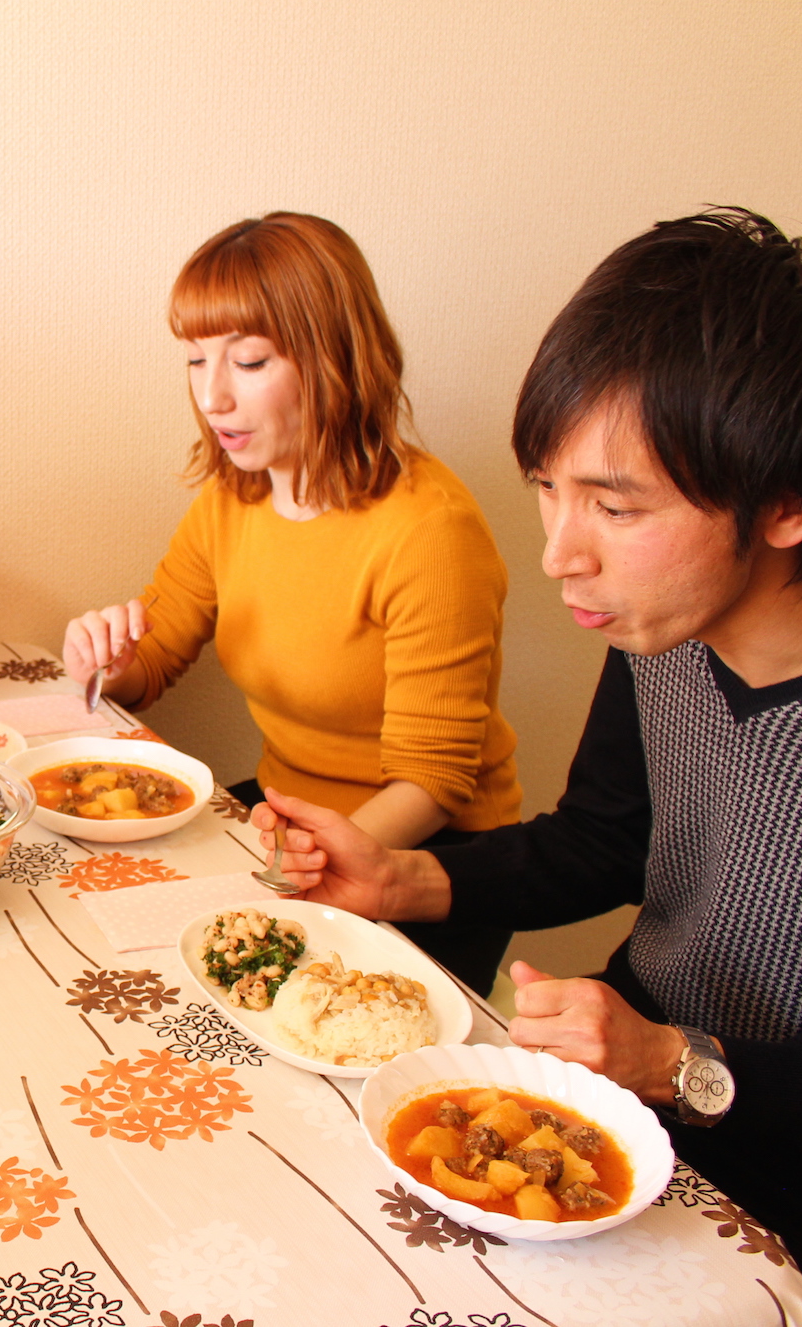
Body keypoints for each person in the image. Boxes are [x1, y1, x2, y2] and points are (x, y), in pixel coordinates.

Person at [250, 209, 802, 1323]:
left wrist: (679, 1063)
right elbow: (602, 838)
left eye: (614, 506)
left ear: (791, 499)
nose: (556, 554)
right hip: (621, 1112)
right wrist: (403, 882)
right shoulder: (663, 633)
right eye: (547, 487)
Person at [64, 211, 521, 992]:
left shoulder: (429, 530)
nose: (212, 395)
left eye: (248, 361)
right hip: (287, 820)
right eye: (195, 360)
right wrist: (107, 655)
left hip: (420, 857)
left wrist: (296, 869)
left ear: (336, 358)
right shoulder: (231, 498)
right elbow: (158, 655)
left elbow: (435, 779)